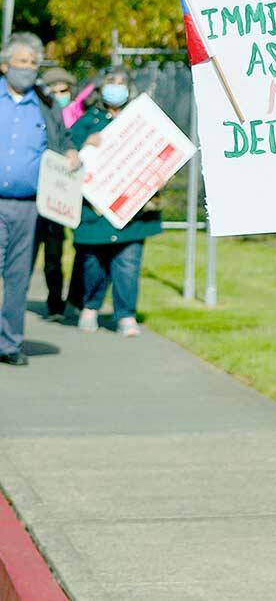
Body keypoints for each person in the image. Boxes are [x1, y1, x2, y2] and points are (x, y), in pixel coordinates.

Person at [0, 34, 76, 365]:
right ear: (5, 66)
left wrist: (70, 152)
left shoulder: (45, 105)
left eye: (33, 63)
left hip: (30, 206)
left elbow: (63, 140)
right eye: (22, 62)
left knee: (18, 278)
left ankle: (9, 344)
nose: (28, 69)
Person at [69, 67, 161, 336]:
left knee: (128, 263)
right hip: (94, 211)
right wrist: (86, 145)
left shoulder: (140, 120)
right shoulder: (87, 122)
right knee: (93, 263)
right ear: (100, 88)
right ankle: (90, 306)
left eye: (122, 82)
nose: (117, 87)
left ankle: (125, 315)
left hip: (132, 209)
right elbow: (68, 156)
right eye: (111, 82)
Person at [31, 66, 77, 318]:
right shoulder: (34, 109)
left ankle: (55, 303)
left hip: (55, 191)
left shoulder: (57, 111)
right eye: (54, 90)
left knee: (54, 253)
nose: (60, 94)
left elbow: (66, 137)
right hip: (31, 189)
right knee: (24, 254)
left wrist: (69, 150)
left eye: (64, 90)